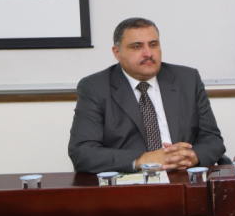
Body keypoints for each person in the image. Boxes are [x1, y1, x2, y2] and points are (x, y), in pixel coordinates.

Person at [68, 17, 226, 173]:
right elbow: (82, 152)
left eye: (153, 45)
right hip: (130, 180)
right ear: (117, 52)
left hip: (183, 175)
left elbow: (212, 139)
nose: (148, 53)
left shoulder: (187, 79)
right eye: (137, 47)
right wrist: (144, 159)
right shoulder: (95, 87)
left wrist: (192, 157)